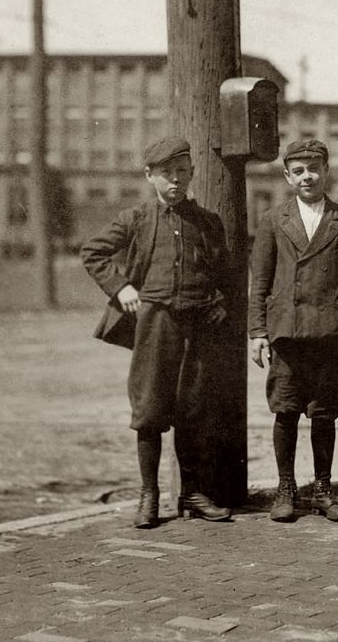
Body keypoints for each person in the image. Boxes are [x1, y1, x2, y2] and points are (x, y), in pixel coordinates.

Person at [80, 137, 232, 528]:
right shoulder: (136, 219)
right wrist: (122, 287)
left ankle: (193, 493)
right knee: (149, 411)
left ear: (192, 174)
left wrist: (218, 303)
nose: (177, 180)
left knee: (194, 410)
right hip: (154, 326)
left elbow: (225, 275)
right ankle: (149, 496)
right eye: (168, 173)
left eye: (183, 172)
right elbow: (92, 252)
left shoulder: (208, 223)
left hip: (198, 327)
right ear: (150, 176)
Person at [248, 139, 338, 522]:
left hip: (329, 333)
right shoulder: (272, 220)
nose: (307, 176)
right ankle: (285, 490)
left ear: (326, 170)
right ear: (286, 176)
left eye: (314, 168)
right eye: (298, 170)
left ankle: (322, 490)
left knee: (324, 414)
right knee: (285, 412)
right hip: (286, 333)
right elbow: (260, 282)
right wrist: (257, 332)